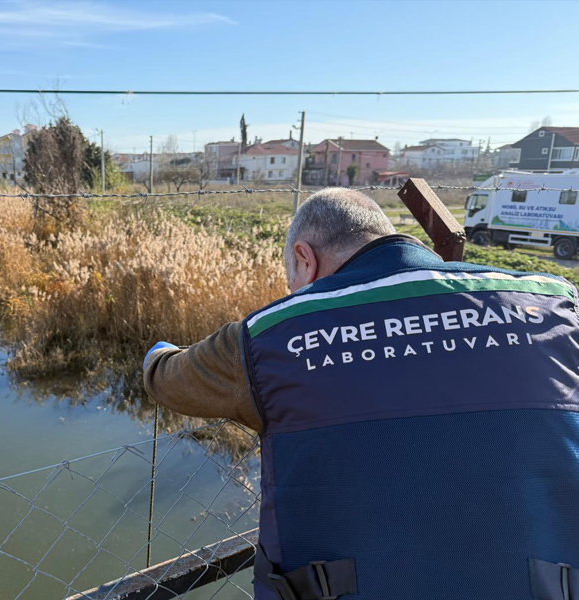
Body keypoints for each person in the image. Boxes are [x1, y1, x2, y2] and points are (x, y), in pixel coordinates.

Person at [143, 188, 579, 600]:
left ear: (304, 259)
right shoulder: (554, 305)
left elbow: (166, 379)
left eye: (292, 281)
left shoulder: (265, 339)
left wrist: (157, 352)